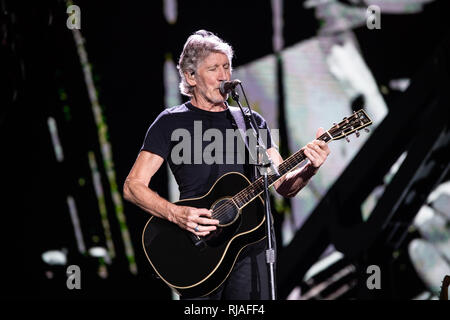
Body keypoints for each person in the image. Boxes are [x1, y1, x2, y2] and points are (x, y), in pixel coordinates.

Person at [123, 30, 330, 300]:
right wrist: (176, 214)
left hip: (251, 248)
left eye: (226, 67)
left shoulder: (250, 122)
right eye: (213, 69)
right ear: (191, 77)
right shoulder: (170, 122)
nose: (224, 76)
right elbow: (132, 186)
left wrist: (309, 167)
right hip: (198, 250)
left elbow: (282, 185)